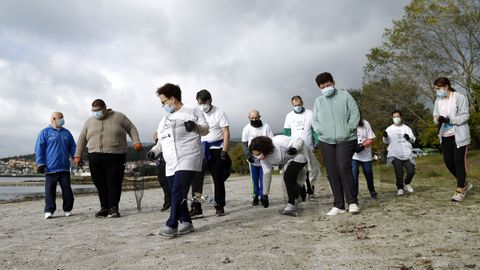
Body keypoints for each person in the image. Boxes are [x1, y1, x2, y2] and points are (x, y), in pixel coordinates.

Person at [147, 83, 209, 238]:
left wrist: (194, 126)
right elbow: (161, 141)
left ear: (172, 99)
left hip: (189, 156)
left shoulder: (193, 110)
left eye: (163, 102)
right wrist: (154, 151)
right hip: (171, 162)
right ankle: (186, 222)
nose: (163, 106)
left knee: (177, 191)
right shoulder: (164, 119)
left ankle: (171, 224)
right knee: (177, 193)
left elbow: (205, 129)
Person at [74, 99, 142, 218]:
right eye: (93, 110)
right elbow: (82, 138)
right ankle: (104, 207)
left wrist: (136, 141)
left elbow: (131, 128)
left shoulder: (119, 117)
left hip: (115, 155)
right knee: (99, 183)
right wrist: (77, 155)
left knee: (113, 182)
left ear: (105, 108)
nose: (96, 112)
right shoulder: (89, 121)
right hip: (94, 156)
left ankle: (113, 208)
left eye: (98, 110)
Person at [312, 72, 360, 216]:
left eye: (328, 85)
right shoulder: (318, 101)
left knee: (343, 166)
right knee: (332, 171)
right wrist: (320, 131)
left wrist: (349, 128)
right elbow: (314, 119)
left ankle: (352, 202)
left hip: (346, 138)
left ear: (333, 82)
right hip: (326, 140)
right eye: (323, 86)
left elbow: (355, 113)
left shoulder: (345, 96)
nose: (326, 88)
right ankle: (338, 204)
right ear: (319, 88)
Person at [249, 135, 320, 216]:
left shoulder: (279, 141)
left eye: (258, 154)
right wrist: (265, 194)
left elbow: (299, 139)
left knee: (288, 176)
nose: (257, 157)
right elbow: (267, 175)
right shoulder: (264, 160)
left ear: (265, 149)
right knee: (291, 178)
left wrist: (295, 148)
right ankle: (298, 196)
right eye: (255, 155)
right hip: (289, 160)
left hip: (300, 153)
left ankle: (291, 205)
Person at [190, 89, 231, 218]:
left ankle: (219, 206)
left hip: (216, 149)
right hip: (201, 149)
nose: (202, 105)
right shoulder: (197, 113)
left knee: (218, 179)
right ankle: (197, 207)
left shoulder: (219, 113)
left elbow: (226, 133)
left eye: (204, 102)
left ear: (210, 100)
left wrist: (224, 150)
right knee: (196, 180)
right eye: (199, 103)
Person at [433, 77, 472, 201]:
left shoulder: (459, 97)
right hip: (445, 136)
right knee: (449, 163)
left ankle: (460, 190)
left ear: (446, 86)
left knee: (459, 162)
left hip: (459, 136)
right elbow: (435, 116)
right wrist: (438, 120)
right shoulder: (438, 101)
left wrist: (450, 120)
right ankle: (464, 183)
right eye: (435, 89)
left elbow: (465, 116)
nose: (437, 91)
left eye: (438, 88)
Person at [35, 112, 76, 219]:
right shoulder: (45, 133)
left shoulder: (67, 133)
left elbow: (73, 147)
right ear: (53, 119)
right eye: (60, 118)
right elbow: (39, 149)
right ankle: (49, 210)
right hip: (50, 169)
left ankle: (67, 209)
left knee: (67, 190)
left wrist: (77, 158)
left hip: (64, 168)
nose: (62, 120)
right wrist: (40, 163)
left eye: (63, 117)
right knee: (49, 191)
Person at [284, 95, 317, 200]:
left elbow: (315, 130)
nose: (297, 106)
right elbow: (287, 133)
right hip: (296, 148)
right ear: (292, 105)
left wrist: (316, 142)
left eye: (298, 104)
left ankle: (310, 190)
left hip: (309, 146)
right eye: (295, 105)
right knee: (298, 171)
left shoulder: (310, 113)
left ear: (302, 102)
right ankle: (301, 192)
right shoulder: (289, 116)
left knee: (310, 170)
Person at [241, 110, 274, 206]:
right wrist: (248, 155)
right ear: (249, 118)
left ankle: (264, 196)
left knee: (264, 178)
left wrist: (266, 154)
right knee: (254, 180)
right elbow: (244, 144)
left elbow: (272, 141)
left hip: (264, 158)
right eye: (252, 118)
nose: (254, 119)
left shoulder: (266, 127)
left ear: (259, 116)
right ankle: (255, 197)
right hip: (253, 159)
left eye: (256, 117)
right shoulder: (246, 128)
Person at [382, 110, 416, 196]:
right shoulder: (389, 129)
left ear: (401, 117)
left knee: (411, 170)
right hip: (394, 153)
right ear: (392, 118)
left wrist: (409, 138)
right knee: (399, 171)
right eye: (394, 117)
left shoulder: (406, 128)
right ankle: (400, 187)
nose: (396, 118)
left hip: (407, 153)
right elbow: (386, 141)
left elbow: (413, 139)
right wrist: (385, 136)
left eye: (398, 116)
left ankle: (407, 183)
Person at [352, 112, 377, 199]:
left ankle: (372, 190)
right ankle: (354, 195)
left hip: (365, 153)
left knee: (368, 173)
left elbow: (370, 138)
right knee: (354, 173)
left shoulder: (365, 123)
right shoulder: (348, 123)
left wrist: (363, 146)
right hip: (353, 155)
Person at [153, 131, 171, 211]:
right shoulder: (157, 145)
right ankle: (168, 202)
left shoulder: (165, 143)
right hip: (160, 165)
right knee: (164, 184)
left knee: (167, 185)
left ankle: (169, 202)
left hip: (165, 164)